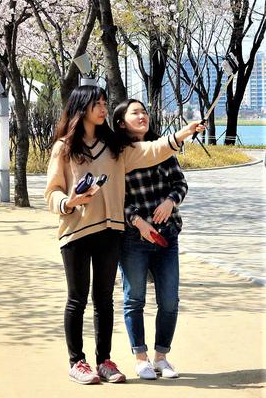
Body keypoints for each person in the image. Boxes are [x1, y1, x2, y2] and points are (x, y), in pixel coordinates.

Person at [44, 85, 204, 385]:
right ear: (82, 108)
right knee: (77, 299)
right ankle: (77, 361)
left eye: (105, 103)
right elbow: (51, 191)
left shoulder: (115, 148)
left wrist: (181, 135)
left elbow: (151, 150)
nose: (104, 108)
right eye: (98, 104)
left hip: (110, 231)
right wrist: (69, 202)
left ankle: (104, 360)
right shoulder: (64, 147)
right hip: (76, 231)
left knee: (104, 299)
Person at [113, 99, 187, 381]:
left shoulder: (163, 148)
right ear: (121, 122)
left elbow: (180, 183)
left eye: (144, 111)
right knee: (135, 299)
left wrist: (170, 201)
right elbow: (115, 197)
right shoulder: (117, 155)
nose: (143, 115)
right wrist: (137, 220)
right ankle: (141, 358)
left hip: (167, 235)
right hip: (134, 238)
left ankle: (162, 357)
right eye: (135, 113)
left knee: (169, 301)